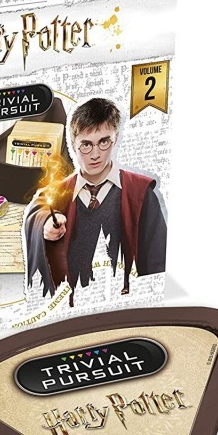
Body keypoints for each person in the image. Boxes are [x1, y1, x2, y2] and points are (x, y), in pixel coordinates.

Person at [24, 97, 167, 302]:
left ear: (115, 138)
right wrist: (45, 223)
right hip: (70, 305)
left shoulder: (140, 192)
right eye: (86, 144)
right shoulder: (57, 193)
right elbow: (39, 208)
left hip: (125, 302)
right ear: (73, 145)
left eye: (103, 142)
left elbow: (157, 260)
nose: (95, 154)